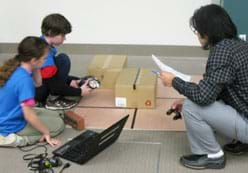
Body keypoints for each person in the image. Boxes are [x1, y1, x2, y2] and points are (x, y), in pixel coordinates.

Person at [159, 4, 248, 169]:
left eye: (197, 31)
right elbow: (221, 89)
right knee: (195, 100)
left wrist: (173, 81)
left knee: (192, 106)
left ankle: (212, 155)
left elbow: (203, 97)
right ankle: (242, 141)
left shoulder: (221, 53)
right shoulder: (239, 45)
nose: (197, 35)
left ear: (206, 32)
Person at [0, 36, 64, 147]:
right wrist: (46, 133)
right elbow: (29, 115)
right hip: (11, 124)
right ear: (34, 60)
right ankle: (14, 139)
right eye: (44, 58)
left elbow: (38, 83)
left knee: (58, 114)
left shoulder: (19, 65)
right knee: (59, 125)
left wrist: (38, 66)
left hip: (12, 112)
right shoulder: (25, 80)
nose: (46, 61)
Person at [35, 13, 92, 110]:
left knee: (75, 78)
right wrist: (80, 92)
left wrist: (70, 81)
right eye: (63, 35)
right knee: (63, 59)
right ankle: (53, 100)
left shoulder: (40, 43)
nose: (65, 38)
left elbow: (49, 77)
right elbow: (55, 85)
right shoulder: (45, 54)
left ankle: (67, 85)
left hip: (37, 85)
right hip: (37, 94)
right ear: (50, 32)